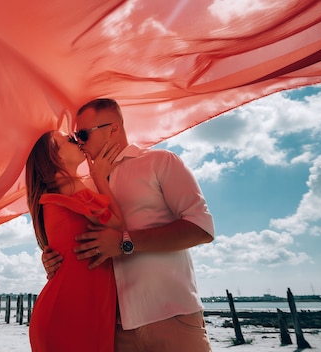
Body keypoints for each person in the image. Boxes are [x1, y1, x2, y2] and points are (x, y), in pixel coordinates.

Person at [42, 98, 215, 352]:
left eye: (83, 134)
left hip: (172, 317)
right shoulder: (85, 188)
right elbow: (79, 244)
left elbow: (201, 229)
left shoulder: (160, 162)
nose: (79, 142)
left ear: (112, 129)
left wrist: (126, 242)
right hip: (112, 329)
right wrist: (53, 259)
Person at [26, 130, 124, 352]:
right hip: (72, 316)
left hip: (75, 312)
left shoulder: (61, 193)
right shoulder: (68, 188)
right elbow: (118, 228)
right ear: (54, 157)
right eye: (70, 140)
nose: (79, 140)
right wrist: (100, 178)